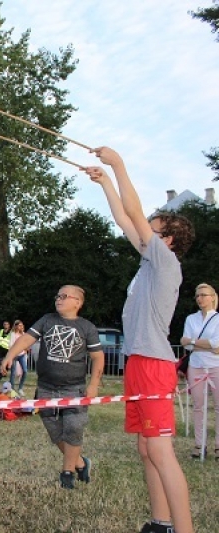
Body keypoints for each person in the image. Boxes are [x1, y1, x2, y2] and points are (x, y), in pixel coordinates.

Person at [86, 146, 195, 533]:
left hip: (153, 364)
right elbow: (124, 218)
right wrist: (105, 182)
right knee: (147, 448)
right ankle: (161, 523)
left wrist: (118, 165)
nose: (144, 227)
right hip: (139, 362)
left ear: (168, 240)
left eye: (153, 227)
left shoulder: (166, 262)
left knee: (161, 451)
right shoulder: (150, 260)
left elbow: (133, 213)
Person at [0, 285, 105, 489]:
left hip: (74, 389)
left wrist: (94, 384)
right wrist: (10, 355)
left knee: (73, 428)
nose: (58, 299)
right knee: (55, 432)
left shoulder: (87, 327)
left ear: (78, 302)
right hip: (46, 387)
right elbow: (26, 339)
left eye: (64, 296)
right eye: (57, 295)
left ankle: (67, 474)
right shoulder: (47, 320)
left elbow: (98, 357)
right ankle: (81, 463)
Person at [180, 283, 219, 460]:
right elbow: (185, 344)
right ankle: (199, 444)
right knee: (198, 406)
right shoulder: (191, 319)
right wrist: (206, 345)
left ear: (212, 297)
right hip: (196, 365)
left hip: (216, 365)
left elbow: (216, 344)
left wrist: (194, 342)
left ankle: (218, 446)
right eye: (197, 295)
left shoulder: (217, 319)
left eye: (203, 295)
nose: (200, 298)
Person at [8, 320, 29, 397]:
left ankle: (20, 388)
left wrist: (26, 348)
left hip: (22, 354)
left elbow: (25, 343)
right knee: (13, 373)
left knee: (25, 371)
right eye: (20, 325)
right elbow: (11, 344)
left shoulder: (23, 334)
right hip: (14, 355)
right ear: (16, 326)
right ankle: (12, 389)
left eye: (22, 325)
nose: (21, 327)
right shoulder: (13, 334)